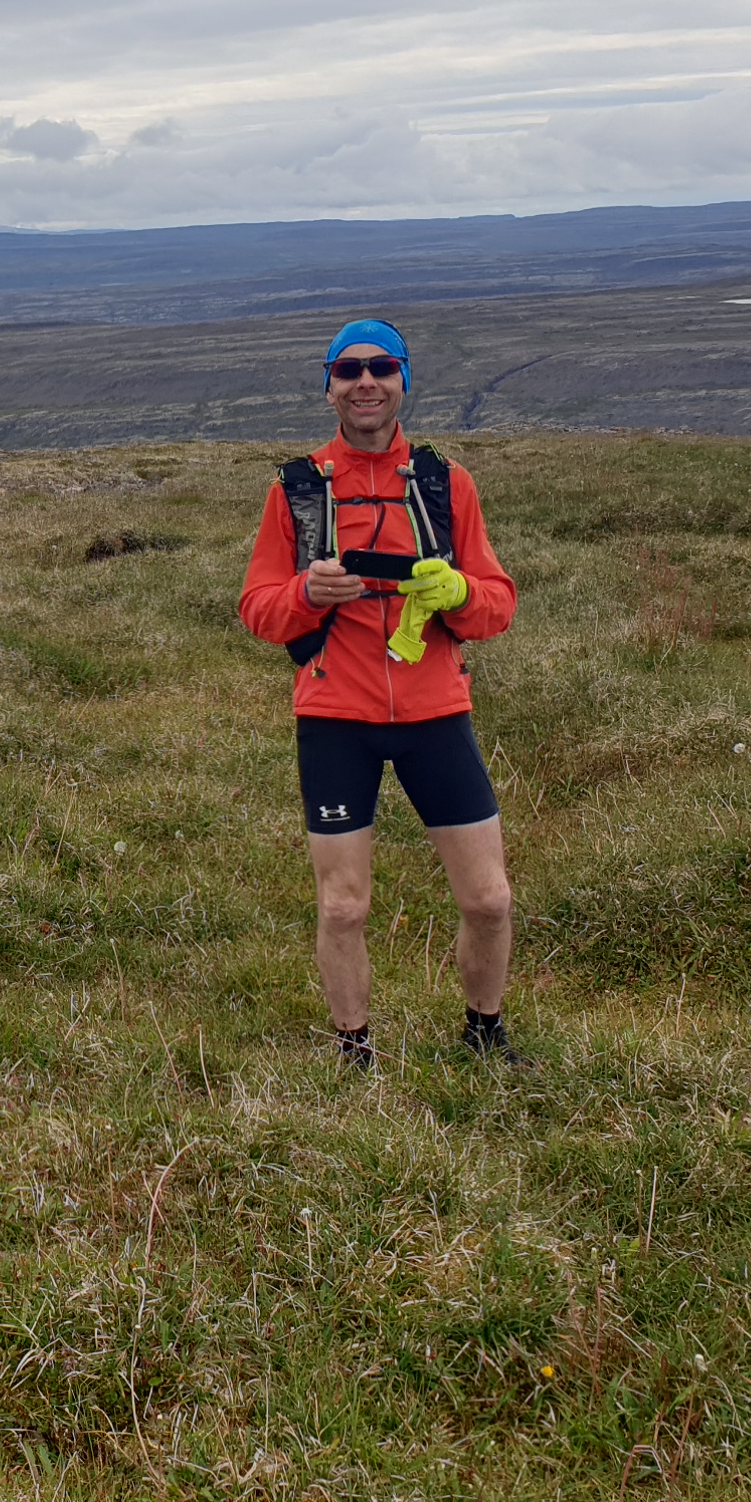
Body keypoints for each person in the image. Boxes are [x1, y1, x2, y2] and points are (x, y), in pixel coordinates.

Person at [236, 319, 521, 1068]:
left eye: (382, 367)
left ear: (403, 381)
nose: (366, 382)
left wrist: (459, 592)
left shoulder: (445, 483)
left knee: (489, 898)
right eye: (349, 370)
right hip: (336, 718)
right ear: (328, 387)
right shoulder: (296, 490)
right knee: (342, 906)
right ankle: (353, 1051)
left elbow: (496, 603)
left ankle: (485, 1037)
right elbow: (258, 608)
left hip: (436, 713)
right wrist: (306, 593)